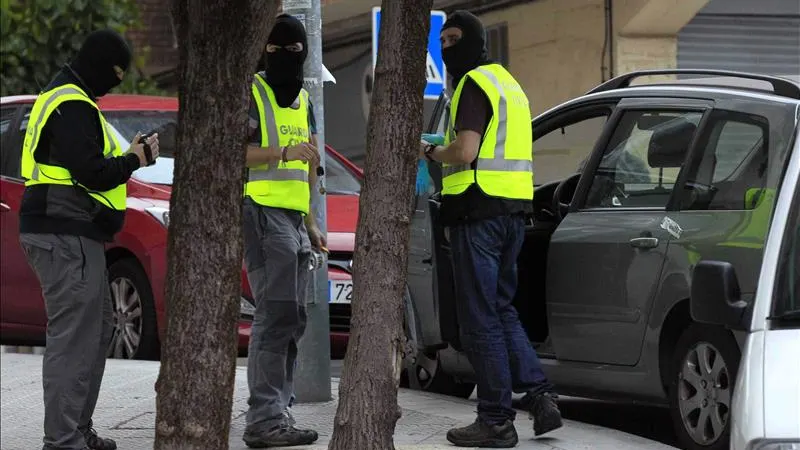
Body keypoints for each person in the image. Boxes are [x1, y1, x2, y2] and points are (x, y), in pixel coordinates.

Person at [419, 11, 563, 448]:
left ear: (474, 42)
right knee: (501, 310)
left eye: (454, 39)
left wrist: (430, 150)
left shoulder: (472, 84)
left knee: (480, 318)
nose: (446, 49)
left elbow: (465, 150)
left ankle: (496, 419)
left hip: (477, 214)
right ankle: (541, 397)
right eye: (441, 41)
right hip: (512, 213)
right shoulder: (509, 85)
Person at [18, 29, 159, 450]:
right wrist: (134, 160)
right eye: (114, 74)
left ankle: (76, 430)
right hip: (64, 233)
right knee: (74, 338)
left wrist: (128, 158)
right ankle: (62, 439)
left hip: (72, 231)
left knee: (94, 333)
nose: (114, 83)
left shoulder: (66, 98)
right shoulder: (72, 104)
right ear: (99, 66)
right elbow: (91, 172)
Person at [241, 14, 325, 448]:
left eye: (295, 51)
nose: (288, 58)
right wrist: (284, 151)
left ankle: (278, 410)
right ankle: (264, 419)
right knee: (274, 317)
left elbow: (310, 161)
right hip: (261, 212)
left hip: (293, 220)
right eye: (279, 50)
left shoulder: (304, 100)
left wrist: (311, 222)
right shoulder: (253, 91)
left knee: (293, 318)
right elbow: (241, 153)